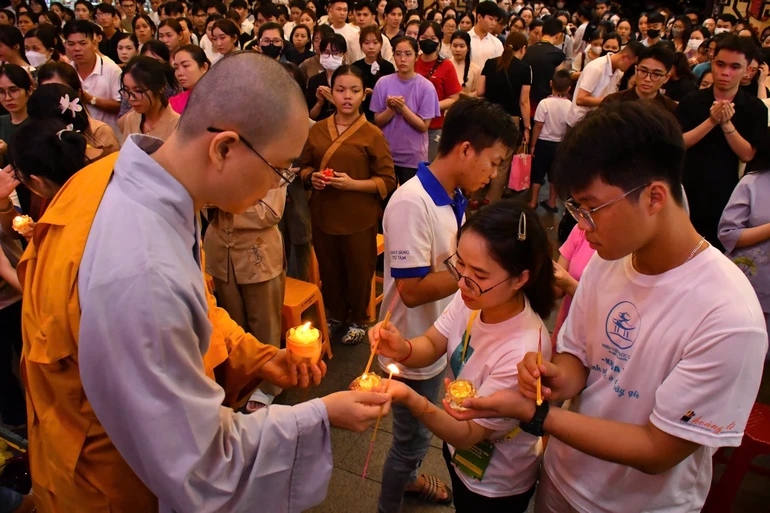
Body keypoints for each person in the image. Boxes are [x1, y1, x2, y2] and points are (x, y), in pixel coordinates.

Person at [18, 51, 392, 513]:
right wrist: (319, 414)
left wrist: (259, 358)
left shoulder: (118, 179)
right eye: (280, 168)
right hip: (110, 486)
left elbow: (195, 309)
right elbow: (201, 462)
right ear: (224, 148)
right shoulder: (141, 272)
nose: (277, 184)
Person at [445, 100, 768, 513]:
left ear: (654, 197)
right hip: (560, 478)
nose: (581, 226)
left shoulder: (730, 316)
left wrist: (537, 414)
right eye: (575, 209)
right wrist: (554, 378)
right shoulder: (608, 260)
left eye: (591, 209)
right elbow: (580, 356)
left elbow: (658, 450)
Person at [375, 97, 517, 513]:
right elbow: (412, 290)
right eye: (493, 162)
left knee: (418, 432)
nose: (493, 174)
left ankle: (411, 476)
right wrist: (477, 274)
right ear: (466, 149)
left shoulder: (452, 195)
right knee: (410, 440)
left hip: (436, 334)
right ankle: (389, 503)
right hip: (411, 339)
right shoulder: (411, 202)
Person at [372, 201, 553, 513]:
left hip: (494, 479)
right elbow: (433, 342)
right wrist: (403, 349)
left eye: (478, 274)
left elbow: (469, 435)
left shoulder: (523, 353)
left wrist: (411, 398)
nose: (460, 283)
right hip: (456, 446)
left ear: (520, 279)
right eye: (459, 265)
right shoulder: (473, 296)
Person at [299, 65, 396, 345]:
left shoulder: (372, 133)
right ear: (331, 93)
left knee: (359, 269)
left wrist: (353, 184)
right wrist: (311, 177)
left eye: (354, 90)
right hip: (323, 213)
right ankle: (335, 315)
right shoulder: (318, 130)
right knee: (329, 268)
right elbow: (303, 167)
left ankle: (359, 319)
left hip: (358, 216)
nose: (347, 97)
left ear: (364, 94)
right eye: (340, 90)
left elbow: (387, 180)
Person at [678, 35, 767, 250]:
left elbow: (747, 154)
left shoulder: (754, 108)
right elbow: (679, 142)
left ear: (747, 70)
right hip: (687, 184)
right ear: (712, 62)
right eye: (720, 64)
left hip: (727, 191)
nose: (726, 72)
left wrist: (726, 124)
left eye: (735, 67)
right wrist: (711, 121)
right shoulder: (692, 100)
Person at [371, 36, 440, 186]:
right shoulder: (383, 83)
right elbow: (378, 121)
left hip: (412, 157)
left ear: (416, 56)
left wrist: (402, 108)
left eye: (408, 54)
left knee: (410, 196)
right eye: (398, 54)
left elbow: (423, 126)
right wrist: (391, 110)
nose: (403, 59)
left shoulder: (426, 87)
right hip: (386, 153)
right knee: (385, 196)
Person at [476, 31, 530, 205]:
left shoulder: (490, 63)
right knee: (502, 162)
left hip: (487, 115)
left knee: (482, 153)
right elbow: (524, 101)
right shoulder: (525, 69)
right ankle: (491, 200)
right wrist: (527, 127)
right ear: (523, 48)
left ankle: (474, 196)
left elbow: (480, 91)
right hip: (510, 120)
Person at [36, 61, 121, 161]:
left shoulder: (100, 132)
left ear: (78, 93)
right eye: (47, 91)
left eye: (60, 90)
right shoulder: (34, 135)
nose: (53, 97)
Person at [63, 20, 122, 137]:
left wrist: (90, 100)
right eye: (71, 44)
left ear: (94, 44)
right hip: (78, 137)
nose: (77, 49)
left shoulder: (112, 69)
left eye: (82, 43)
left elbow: (121, 106)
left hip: (107, 138)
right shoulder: (66, 71)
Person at [566, 40, 642, 127]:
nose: (632, 68)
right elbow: (580, 99)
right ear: (624, 57)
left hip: (598, 121)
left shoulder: (619, 72)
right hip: (579, 122)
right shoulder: (596, 67)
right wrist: (611, 99)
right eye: (632, 64)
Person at [416, 21, 461, 161]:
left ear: (439, 40)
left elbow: (454, 98)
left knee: (430, 167)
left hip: (435, 127)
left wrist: (431, 106)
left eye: (433, 38)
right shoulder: (412, 62)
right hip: (411, 125)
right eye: (424, 37)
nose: (428, 41)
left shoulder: (447, 65)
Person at [529, 69, 571, 211]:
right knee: (554, 175)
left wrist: (533, 145)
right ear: (569, 88)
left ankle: (533, 202)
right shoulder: (570, 105)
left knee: (537, 173)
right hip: (560, 144)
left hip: (543, 143)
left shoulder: (544, 103)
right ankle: (552, 202)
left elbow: (538, 125)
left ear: (551, 83)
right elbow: (570, 127)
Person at [117, 56, 180, 141]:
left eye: (138, 91)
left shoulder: (177, 125)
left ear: (160, 87)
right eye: (127, 90)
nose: (131, 98)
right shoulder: (131, 119)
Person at [603, 44, 677, 114]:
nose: (647, 79)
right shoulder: (612, 101)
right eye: (643, 71)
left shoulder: (671, 108)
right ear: (636, 70)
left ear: (666, 78)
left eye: (656, 74)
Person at [353, 25, 395, 122]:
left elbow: (392, 93)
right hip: (360, 114)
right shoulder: (355, 67)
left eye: (375, 43)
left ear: (381, 44)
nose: (371, 47)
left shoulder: (388, 67)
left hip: (383, 114)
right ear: (361, 44)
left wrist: (374, 93)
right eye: (366, 43)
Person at [524, 17, 565, 112]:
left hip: (527, 100)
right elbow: (560, 80)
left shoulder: (527, 50)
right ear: (558, 35)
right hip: (547, 102)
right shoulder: (557, 54)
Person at [307, 33, 347, 121]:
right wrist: (319, 103)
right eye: (326, 52)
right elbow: (311, 116)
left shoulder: (350, 79)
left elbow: (356, 112)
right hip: (321, 125)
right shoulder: (315, 80)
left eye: (335, 53)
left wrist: (334, 101)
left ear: (343, 54)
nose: (330, 57)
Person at [0, 64, 30, 170]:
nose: (8, 98)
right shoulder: (1, 122)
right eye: (1, 92)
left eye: (13, 90)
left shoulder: (40, 124)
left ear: (29, 91)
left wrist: (8, 150)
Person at [170, 44, 209, 114]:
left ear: (204, 67)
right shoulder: (174, 103)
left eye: (185, 66)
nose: (179, 73)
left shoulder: (221, 96)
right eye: (176, 68)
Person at [469, 1, 503, 69]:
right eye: (491, 19)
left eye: (496, 20)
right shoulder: (466, 39)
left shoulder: (497, 43)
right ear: (479, 17)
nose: (494, 23)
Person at [449, 30, 480, 95]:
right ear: (450, 46)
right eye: (455, 46)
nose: (458, 50)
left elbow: (477, 93)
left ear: (468, 48)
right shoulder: (444, 65)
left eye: (462, 46)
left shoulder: (475, 69)